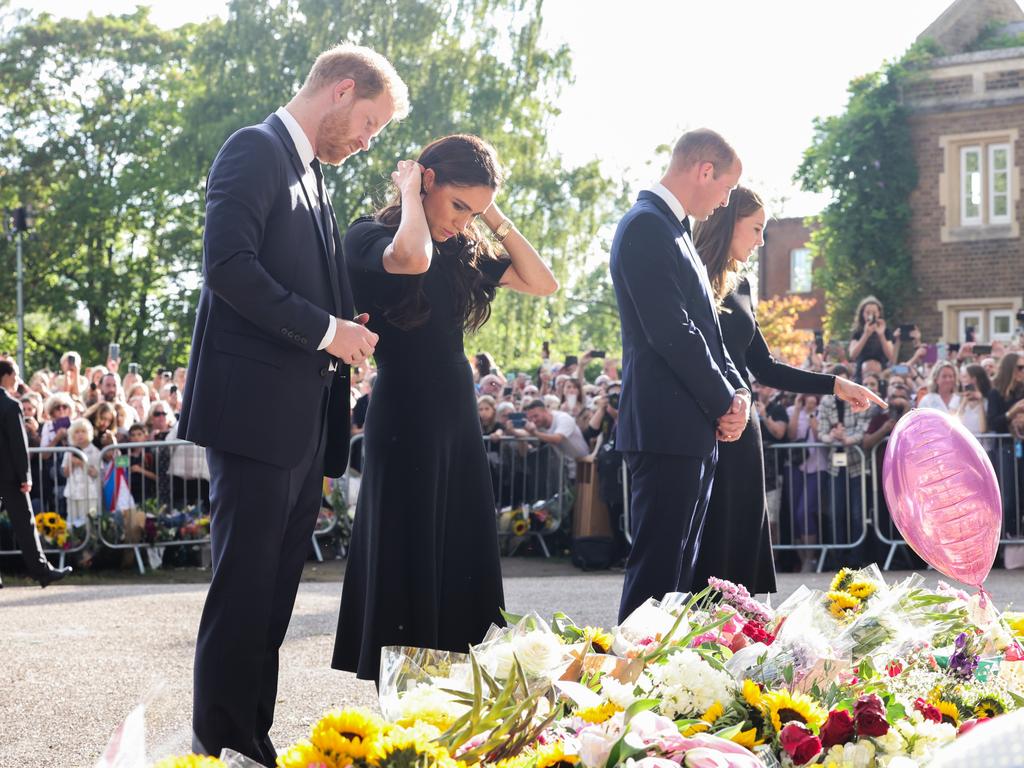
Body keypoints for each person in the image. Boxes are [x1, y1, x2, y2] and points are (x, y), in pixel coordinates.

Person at [177, 44, 408, 764]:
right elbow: (227, 267)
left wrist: (348, 331)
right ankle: (218, 738)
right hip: (252, 413)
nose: (368, 140)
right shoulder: (255, 150)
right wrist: (324, 329)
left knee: (273, 591)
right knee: (244, 584)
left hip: (301, 416)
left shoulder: (311, 175)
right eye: (369, 123)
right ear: (341, 92)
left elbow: (306, 287)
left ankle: (252, 735)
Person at [333, 134, 557, 682]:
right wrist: (411, 195)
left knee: (460, 544)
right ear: (425, 179)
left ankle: (451, 686)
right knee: (406, 543)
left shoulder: (463, 251)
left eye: (473, 211)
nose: (463, 221)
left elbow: (542, 281)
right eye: (459, 205)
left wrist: (491, 211)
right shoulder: (369, 235)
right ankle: (399, 690)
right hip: (402, 411)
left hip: (456, 413)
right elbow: (409, 258)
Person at [690, 186, 882, 593]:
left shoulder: (741, 286)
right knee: (705, 551)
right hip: (703, 429)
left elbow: (764, 366)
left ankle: (745, 642)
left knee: (741, 547)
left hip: (745, 434)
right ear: (728, 223)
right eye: (756, 228)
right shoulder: (688, 276)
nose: (761, 240)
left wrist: (835, 383)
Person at [609, 129, 751, 621]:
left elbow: (709, 332)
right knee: (656, 579)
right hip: (665, 427)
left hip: (688, 429)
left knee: (677, 583)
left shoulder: (677, 232)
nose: (726, 202)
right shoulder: (646, 227)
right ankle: (626, 687)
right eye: (727, 188)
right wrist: (722, 401)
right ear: (704, 170)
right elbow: (672, 331)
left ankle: (661, 683)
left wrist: (738, 393)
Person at [0, 359, 71, 588]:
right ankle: (42, 571)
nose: (18, 380)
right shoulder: (10, 405)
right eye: (16, 374)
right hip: (10, 477)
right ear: (7, 375)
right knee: (24, 524)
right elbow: (18, 445)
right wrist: (25, 476)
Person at [848, 296, 895, 374]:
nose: (871, 315)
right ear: (862, 314)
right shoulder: (858, 332)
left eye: (874, 312)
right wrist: (866, 335)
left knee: (902, 369)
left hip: (882, 371)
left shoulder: (886, 331)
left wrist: (881, 335)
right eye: (868, 312)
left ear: (879, 313)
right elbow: (852, 355)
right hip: (861, 372)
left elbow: (890, 356)